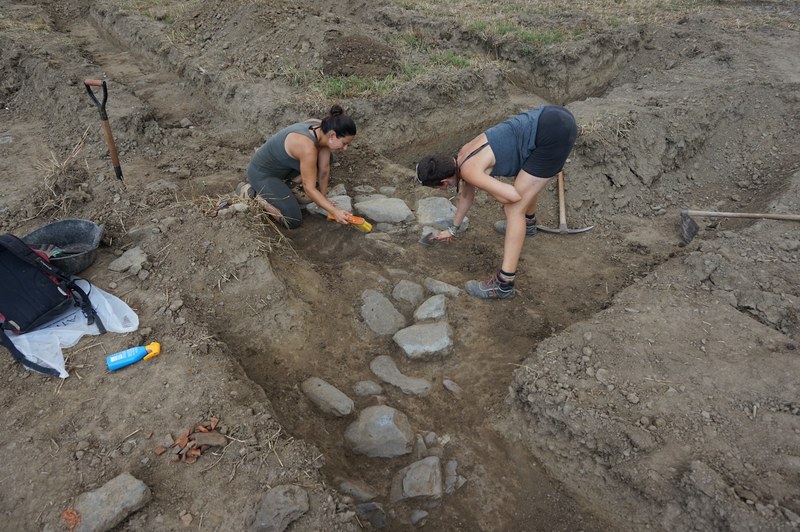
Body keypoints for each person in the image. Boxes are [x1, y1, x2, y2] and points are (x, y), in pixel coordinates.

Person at [415, 104, 578, 300]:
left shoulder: (468, 171)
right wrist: (452, 229)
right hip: (550, 116)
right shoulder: (462, 155)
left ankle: (504, 284)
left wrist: (487, 185)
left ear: (443, 182)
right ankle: (529, 223)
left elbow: (511, 196)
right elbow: (466, 195)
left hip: (553, 135)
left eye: (439, 188)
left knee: (513, 209)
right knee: (524, 181)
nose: (444, 190)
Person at [238, 105, 357, 228]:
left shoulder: (321, 126)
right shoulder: (307, 148)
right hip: (262, 174)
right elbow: (309, 188)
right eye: (344, 143)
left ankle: (291, 185)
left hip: (282, 167)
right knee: (292, 220)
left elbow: (324, 170)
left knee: (326, 158)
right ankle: (251, 193)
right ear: (332, 135)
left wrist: (323, 198)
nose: (345, 148)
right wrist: (334, 211)